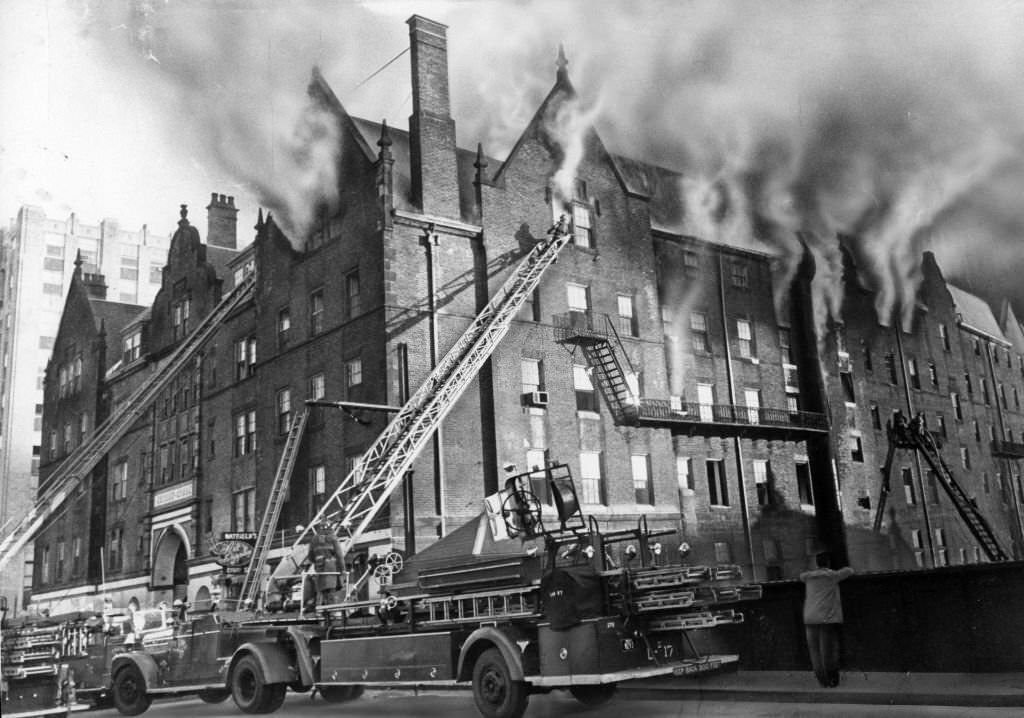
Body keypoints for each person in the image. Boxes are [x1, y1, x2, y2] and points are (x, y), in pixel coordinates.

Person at [799, 551, 854, 687]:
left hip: (810, 618)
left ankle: (822, 682)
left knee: (815, 653)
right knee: (827, 652)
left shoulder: (808, 577)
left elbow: (801, 576)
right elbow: (850, 570)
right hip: (826, 619)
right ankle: (832, 680)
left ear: (816, 563)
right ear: (828, 563)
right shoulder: (832, 576)